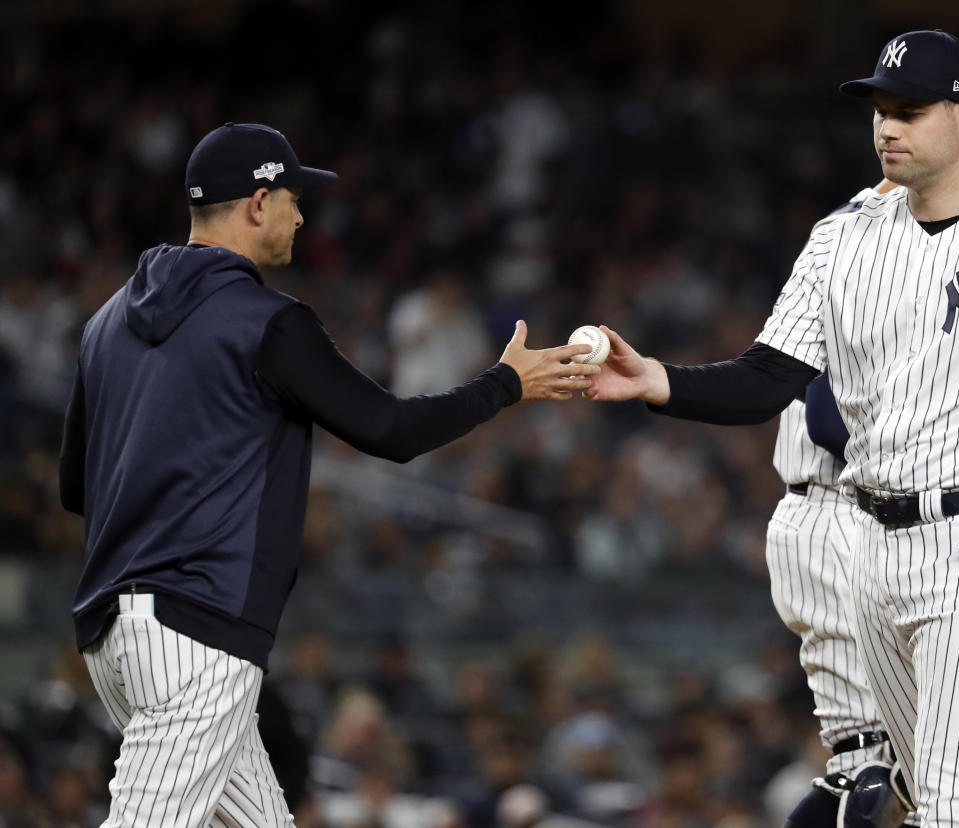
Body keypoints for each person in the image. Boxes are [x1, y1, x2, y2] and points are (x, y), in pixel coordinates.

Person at [585, 30, 959, 827]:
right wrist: (656, 380)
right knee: (944, 802)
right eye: (881, 110)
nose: (888, 127)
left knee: (954, 811)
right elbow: (766, 380)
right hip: (871, 544)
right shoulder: (842, 237)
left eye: (911, 111)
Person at [58, 122, 598, 826]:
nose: (301, 213)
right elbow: (391, 430)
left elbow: (76, 485)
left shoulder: (104, 323)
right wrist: (504, 384)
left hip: (113, 638)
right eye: (290, 197)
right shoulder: (267, 321)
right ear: (256, 203)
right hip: (198, 633)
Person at [769, 74, 959, 828]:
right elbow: (834, 417)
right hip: (850, 518)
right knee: (886, 791)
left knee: (918, 794)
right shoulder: (879, 240)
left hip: (859, 520)